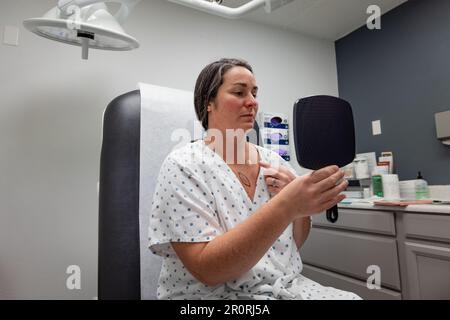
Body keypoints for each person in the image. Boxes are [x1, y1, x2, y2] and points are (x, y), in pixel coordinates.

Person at [148, 58, 361, 300]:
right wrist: (286, 205)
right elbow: (207, 270)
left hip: (283, 287)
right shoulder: (183, 165)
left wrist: (300, 211)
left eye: (254, 93)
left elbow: (290, 248)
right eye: (239, 92)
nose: (252, 102)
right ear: (208, 102)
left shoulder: (274, 162)